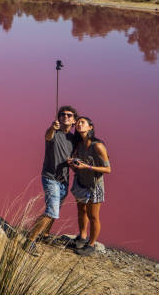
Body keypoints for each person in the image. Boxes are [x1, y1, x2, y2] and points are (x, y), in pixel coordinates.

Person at [23, 105, 77, 255]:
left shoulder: (73, 140)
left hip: (64, 179)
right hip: (50, 177)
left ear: (74, 121)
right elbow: (47, 135)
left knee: (55, 209)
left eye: (69, 115)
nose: (65, 117)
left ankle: (44, 235)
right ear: (58, 118)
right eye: (62, 114)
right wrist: (52, 128)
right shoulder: (54, 133)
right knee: (52, 212)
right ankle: (29, 240)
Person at [67, 116, 111, 256]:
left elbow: (108, 169)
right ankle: (82, 237)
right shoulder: (79, 145)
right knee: (81, 211)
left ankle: (91, 245)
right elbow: (79, 167)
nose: (79, 124)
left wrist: (88, 167)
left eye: (82, 123)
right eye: (78, 123)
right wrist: (73, 165)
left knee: (93, 216)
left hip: (94, 185)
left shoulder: (97, 146)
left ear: (90, 127)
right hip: (81, 182)